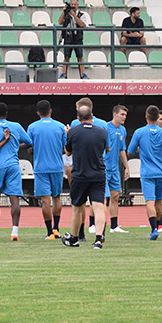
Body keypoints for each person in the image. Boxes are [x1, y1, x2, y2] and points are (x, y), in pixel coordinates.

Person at [0, 102, 32, 241]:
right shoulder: (16, 126)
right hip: (13, 166)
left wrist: (5, 141)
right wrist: (15, 146)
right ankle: (14, 232)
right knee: (14, 199)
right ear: (7, 113)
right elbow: (29, 142)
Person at [61, 105, 110, 249]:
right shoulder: (102, 132)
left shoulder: (73, 132)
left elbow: (68, 152)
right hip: (98, 174)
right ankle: (99, 239)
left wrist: (68, 135)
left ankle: (74, 238)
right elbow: (105, 149)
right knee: (99, 206)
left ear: (78, 118)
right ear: (92, 116)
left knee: (77, 207)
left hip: (80, 174)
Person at [127, 105, 162, 241]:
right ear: (157, 118)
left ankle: (154, 229)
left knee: (149, 201)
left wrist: (138, 149)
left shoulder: (139, 132)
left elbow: (130, 151)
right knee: (159, 201)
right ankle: (159, 226)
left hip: (147, 173)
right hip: (161, 172)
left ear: (146, 117)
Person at [27, 100, 68, 240]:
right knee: (56, 197)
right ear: (50, 111)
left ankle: (49, 232)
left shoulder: (32, 127)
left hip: (40, 168)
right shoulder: (60, 127)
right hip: (56, 167)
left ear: (38, 112)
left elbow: (30, 148)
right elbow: (65, 148)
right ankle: (56, 229)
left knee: (45, 200)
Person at [105, 105, 130, 233]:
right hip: (103, 168)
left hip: (114, 170)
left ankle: (114, 226)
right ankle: (97, 225)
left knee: (115, 197)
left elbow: (122, 149)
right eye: (122, 114)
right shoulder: (105, 128)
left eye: (125, 115)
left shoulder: (123, 130)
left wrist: (127, 167)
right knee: (102, 198)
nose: (124, 117)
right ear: (114, 114)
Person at [58, 0, 89, 79]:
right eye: (72, 4)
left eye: (75, 4)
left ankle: (83, 74)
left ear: (78, 5)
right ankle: (64, 74)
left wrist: (74, 15)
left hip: (77, 38)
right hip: (68, 37)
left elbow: (82, 24)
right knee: (66, 57)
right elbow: (60, 22)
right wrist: (64, 12)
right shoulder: (66, 14)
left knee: (80, 56)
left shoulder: (81, 15)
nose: (73, 6)